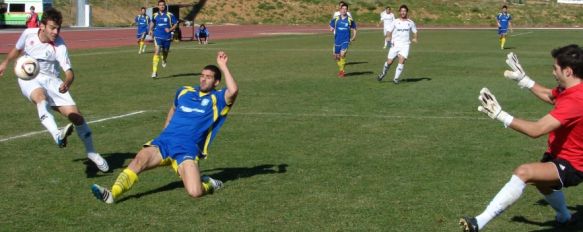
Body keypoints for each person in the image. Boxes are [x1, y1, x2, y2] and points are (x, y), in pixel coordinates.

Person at [460, 44, 583, 232]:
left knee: (524, 172)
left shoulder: (577, 100)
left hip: (574, 164)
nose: (552, 72)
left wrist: (501, 115)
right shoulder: (570, 89)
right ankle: (565, 217)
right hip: (558, 154)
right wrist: (524, 80)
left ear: (567, 71)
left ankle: (478, 222)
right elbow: (551, 96)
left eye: (555, 68)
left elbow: (536, 130)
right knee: (543, 185)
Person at [91, 51, 239, 204]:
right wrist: (164, 133)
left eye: (208, 77)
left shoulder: (218, 99)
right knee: (139, 160)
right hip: (165, 142)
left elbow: (233, 90)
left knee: (195, 192)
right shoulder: (184, 91)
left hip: (187, 148)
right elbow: (173, 110)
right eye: (202, 75)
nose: (203, 79)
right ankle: (112, 194)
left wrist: (223, 66)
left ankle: (209, 184)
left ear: (216, 82)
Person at [0, 8, 109, 172]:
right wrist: (5, 63)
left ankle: (92, 153)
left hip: (53, 81)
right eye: (52, 27)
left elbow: (69, 72)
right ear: (42, 26)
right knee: (40, 97)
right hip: (29, 77)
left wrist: (67, 82)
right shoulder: (29, 34)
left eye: (58, 28)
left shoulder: (60, 46)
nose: (56, 32)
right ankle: (57, 134)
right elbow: (17, 49)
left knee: (77, 118)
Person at [376, 4, 417, 84]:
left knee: (402, 60)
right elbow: (389, 31)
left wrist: (415, 38)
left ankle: (396, 78)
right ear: (399, 12)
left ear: (407, 12)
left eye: (404, 11)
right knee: (389, 62)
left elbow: (415, 31)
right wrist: (388, 37)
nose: (403, 12)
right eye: (401, 11)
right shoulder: (395, 22)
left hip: (405, 45)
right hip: (395, 44)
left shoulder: (411, 22)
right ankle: (383, 73)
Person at [149, 0, 178, 79]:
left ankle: (164, 59)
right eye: (160, 5)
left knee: (165, 52)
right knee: (157, 51)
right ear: (158, 6)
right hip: (157, 35)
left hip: (167, 36)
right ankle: (154, 72)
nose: (162, 6)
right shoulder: (155, 15)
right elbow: (152, 22)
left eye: (163, 5)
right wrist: (150, 30)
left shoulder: (170, 15)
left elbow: (176, 23)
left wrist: (170, 29)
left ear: (165, 6)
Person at [329, 3, 356, 78]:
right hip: (337, 40)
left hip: (345, 40)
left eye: (345, 9)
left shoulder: (350, 20)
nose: (344, 10)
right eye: (342, 9)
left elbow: (354, 28)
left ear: (347, 10)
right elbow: (331, 27)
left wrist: (353, 37)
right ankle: (341, 69)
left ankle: (342, 72)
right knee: (336, 57)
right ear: (340, 10)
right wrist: (331, 28)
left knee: (342, 54)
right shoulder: (336, 19)